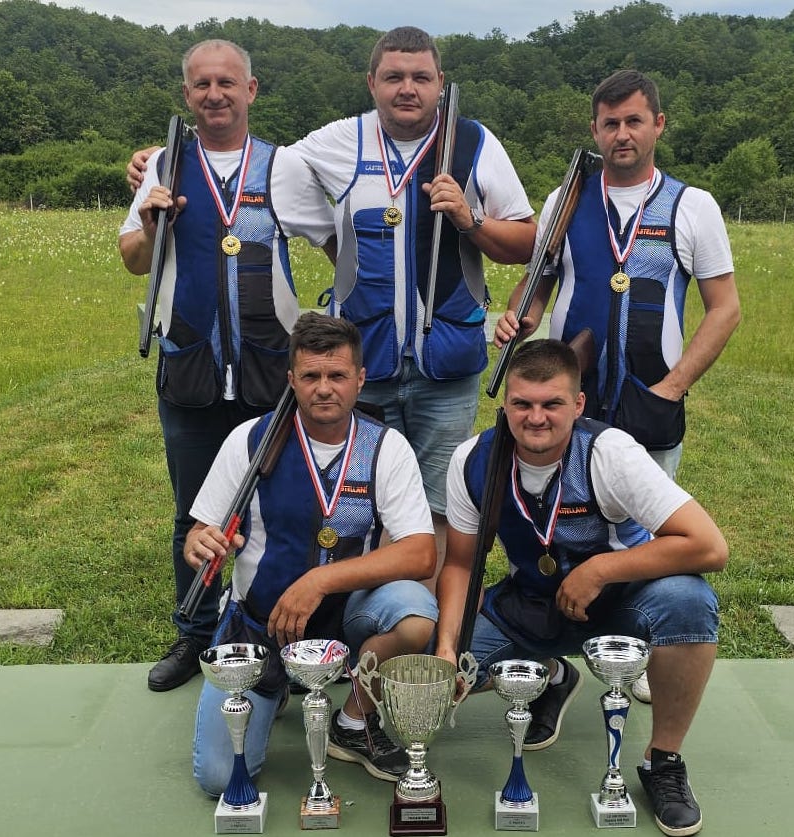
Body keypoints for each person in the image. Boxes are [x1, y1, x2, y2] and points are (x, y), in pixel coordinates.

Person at [128, 27, 536, 595]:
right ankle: (358, 621)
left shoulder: (474, 143)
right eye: (393, 77)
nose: (407, 88)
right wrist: (160, 158)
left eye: (420, 77)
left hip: (447, 364)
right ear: (372, 83)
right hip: (363, 365)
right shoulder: (335, 141)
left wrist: (472, 219)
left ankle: (419, 628)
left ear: (440, 83)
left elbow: (527, 241)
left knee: (438, 508)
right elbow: (245, 157)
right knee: (359, 500)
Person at [493, 68, 740, 704]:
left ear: (658, 124)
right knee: (554, 523)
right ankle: (550, 647)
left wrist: (673, 387)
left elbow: (724, 309)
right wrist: (520, 314)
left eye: (634, 121)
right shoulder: (566, 200)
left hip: (647, 403)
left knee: (649, 535)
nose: (622, 134)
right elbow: (539, 283)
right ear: (595, 129)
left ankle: (639, 644)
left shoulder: (692, 205)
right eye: (610, 123)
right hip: (569, 403)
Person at [434, 339, 728, 837]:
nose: (536, 418)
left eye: (552, 404)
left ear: (577, 404)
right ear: (505, 404)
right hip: (531, 601)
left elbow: (709, 546)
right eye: (522, 404)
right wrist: (447, 647)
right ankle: (551, 676)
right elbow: (461, 565)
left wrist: (601, 570)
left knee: (689, 602)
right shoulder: (472, 460)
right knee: (435, 672)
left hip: (623, 602)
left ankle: (663, 762)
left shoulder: (612, 453)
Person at [119, 39, 336, 693]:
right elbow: (132, 258)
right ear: (186, 93)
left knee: (283, 507)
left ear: (251, 89)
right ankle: (194, 634)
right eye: (201, 84)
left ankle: (281, 634)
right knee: (194, 514)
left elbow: (338, 241)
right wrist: (151, 223)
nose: (214, 94)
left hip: (271, 374)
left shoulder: (284, 166)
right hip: (190, 368)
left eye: (226, 82)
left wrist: (336, 312)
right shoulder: (163, 162)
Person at [186, 312, 438, 791]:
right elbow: (201, 532)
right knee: (220, 778)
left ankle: (355, 721)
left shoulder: (387, 446)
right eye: (311, 376)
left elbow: (421, 554)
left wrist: (319, 580)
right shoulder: (249, 440)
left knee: (414, 614)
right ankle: (276, 684)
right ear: (291, 380)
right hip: (262, 623)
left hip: (345, 617)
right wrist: (199, 544)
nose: (324, 388)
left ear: (360, 378)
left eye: (337, 375)